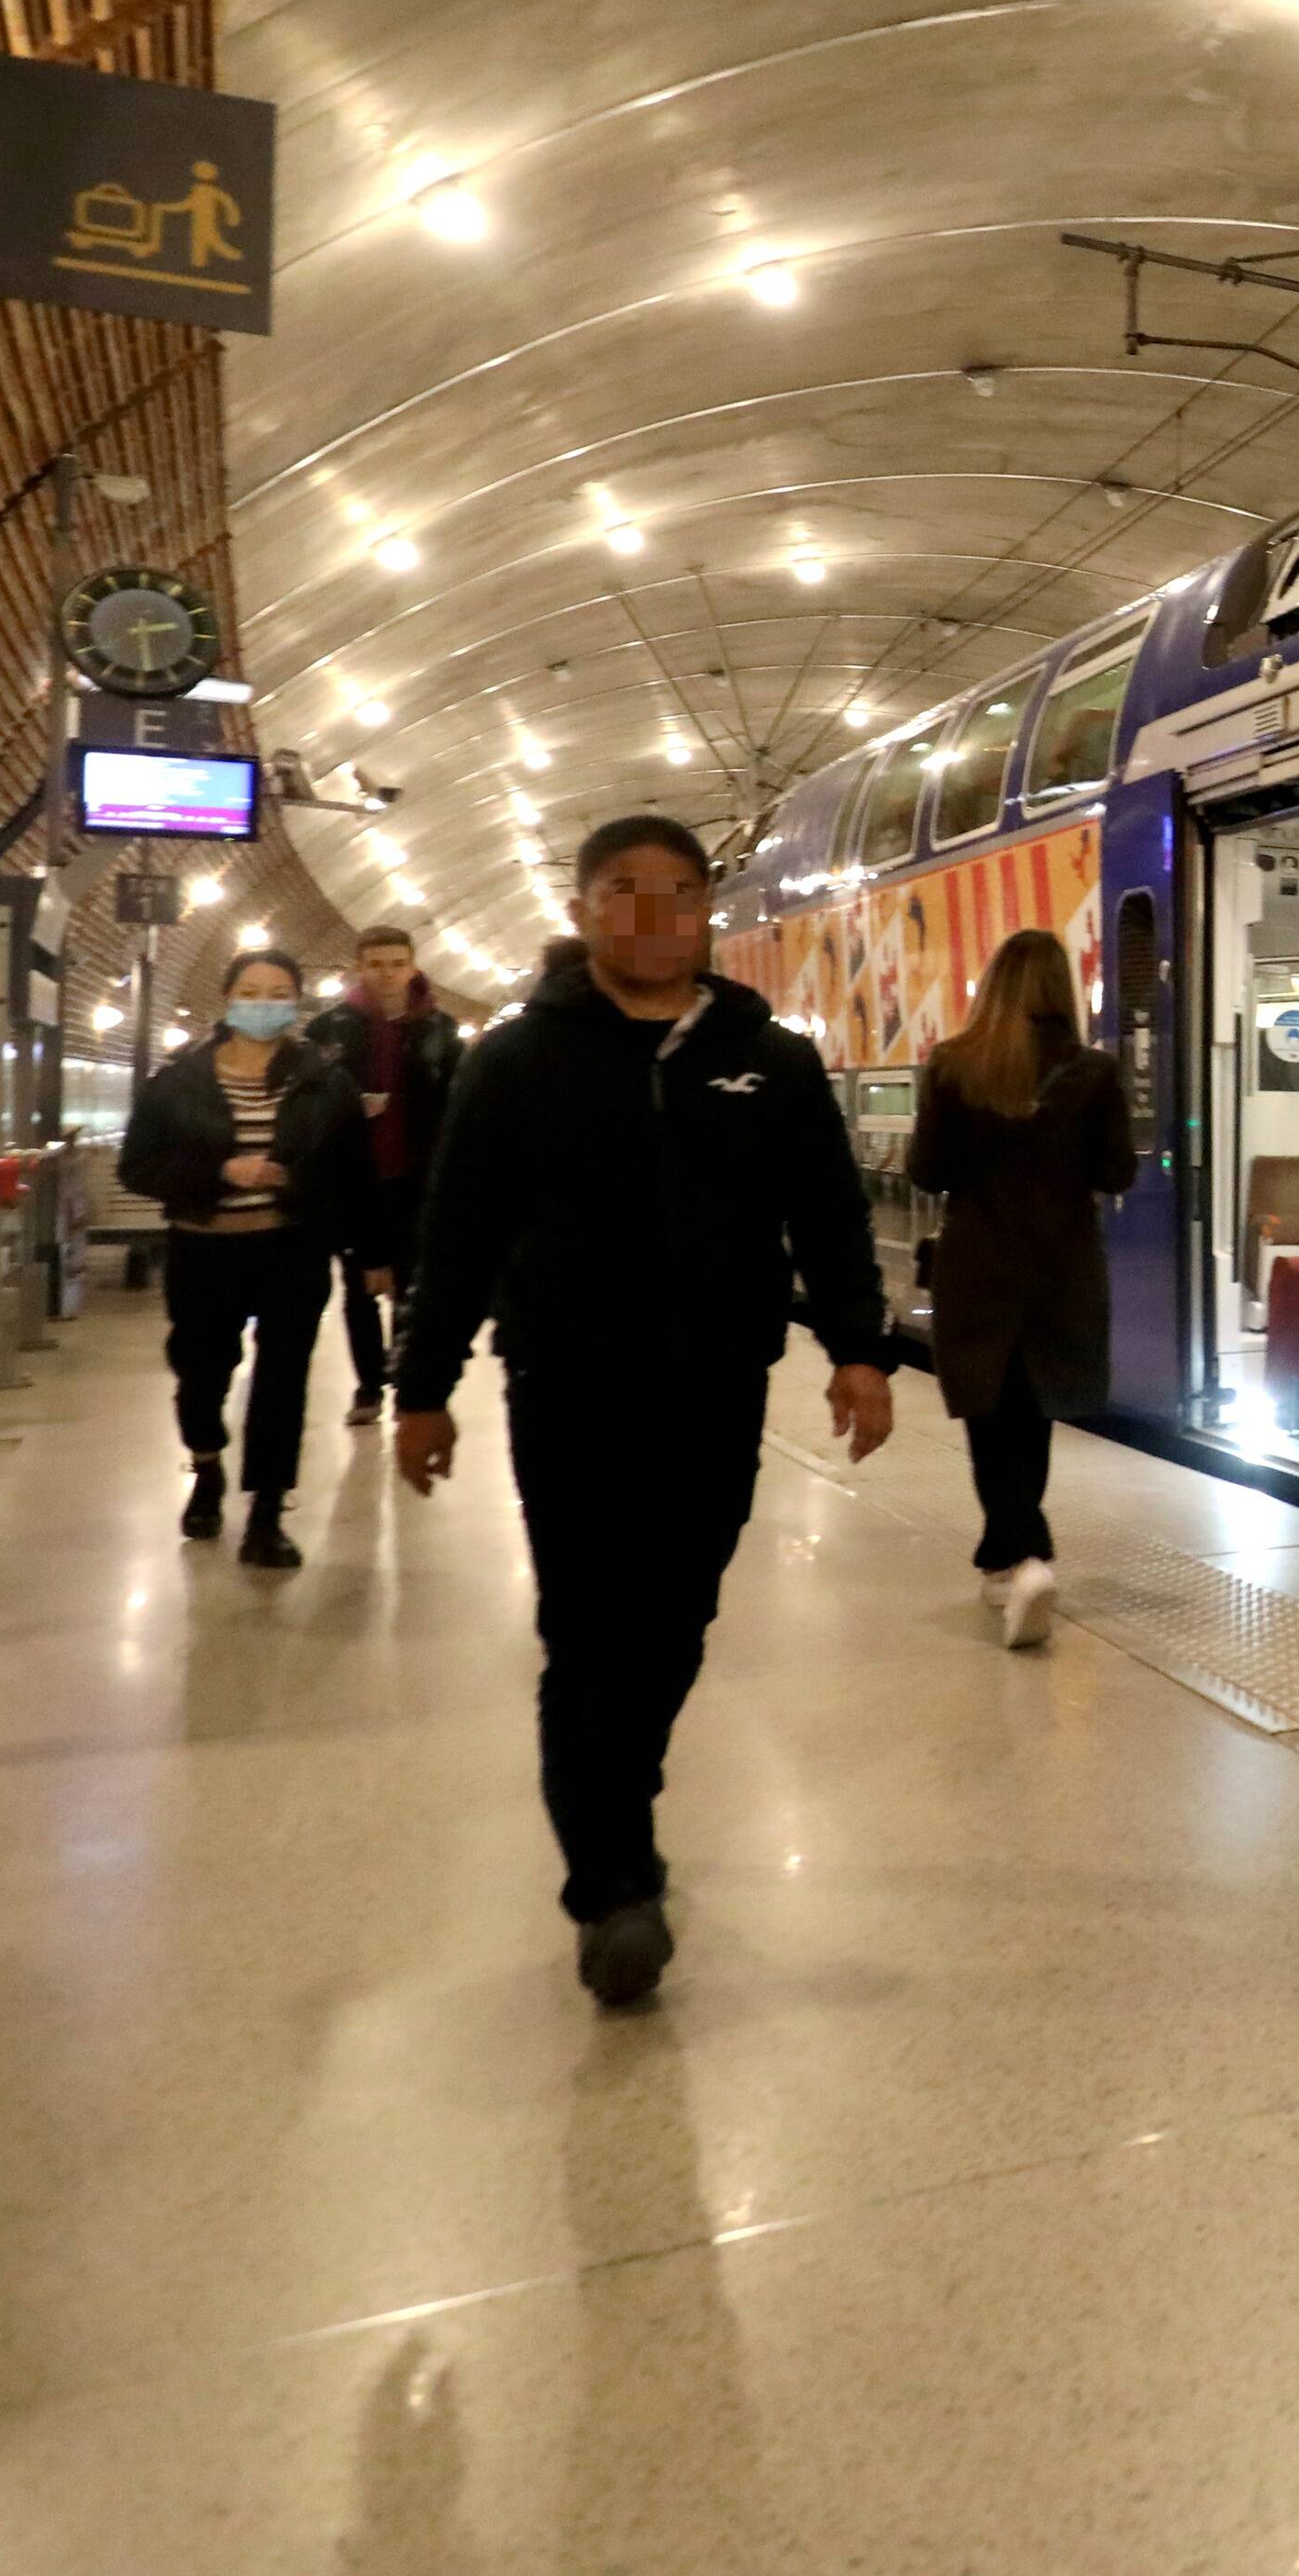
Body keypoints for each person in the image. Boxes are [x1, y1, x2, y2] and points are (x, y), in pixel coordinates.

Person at [392, 817, 893, 2008]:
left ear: (706, 912)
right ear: (581, 913)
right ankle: (612, 1887)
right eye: (624, 890)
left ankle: (622, 1797)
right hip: (565, 1386)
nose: (653, 913)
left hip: (717, 1387)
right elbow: (458, 1230)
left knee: (676, 1620)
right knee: (587, 1630)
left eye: (677, 892)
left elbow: (827, 1213)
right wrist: (422, 1386)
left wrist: (859, 1351)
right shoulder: (515, 1061)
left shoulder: (769, 1059)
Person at [906, 928, 1134, 1647]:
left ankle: (1024, 1556)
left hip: (978, 1271)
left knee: (990, 1420)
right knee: (1032, 1421)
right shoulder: (1093, 1072)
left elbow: (926, 1170)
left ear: (995, 985)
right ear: (1062, 987)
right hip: (1062, 1274)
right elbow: (1117, 1171)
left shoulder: (954, 1064)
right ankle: (1007, 1557)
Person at [117, 948, 365, 1564]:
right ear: (227, 999)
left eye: (278, 993)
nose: (263, 1004)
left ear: (296, 1002)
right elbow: (137, 1166)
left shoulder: (326, 1082)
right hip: (204, 1248)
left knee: (283, 1378)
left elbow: (352, 1172)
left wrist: (301, 1187)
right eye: (250, 992)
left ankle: (267, 1512)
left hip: (291, 1247)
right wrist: (220, 1171)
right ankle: (206, 1463)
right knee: (201, 1370)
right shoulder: (177, 1082)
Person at [305, 923, 461, 1429]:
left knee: (413, 1285)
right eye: (376, 964)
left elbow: (455, 1101)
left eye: (396, 963)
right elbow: (306, 1102)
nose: (387, 974)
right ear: (359, 968)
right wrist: (348, 1107)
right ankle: (369, 1382)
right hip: (354, 1177)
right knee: (358, 1287)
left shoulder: (440, 1029)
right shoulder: (329, 1030)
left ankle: (408, 1379)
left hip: (418, 1177)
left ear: (413, 967)